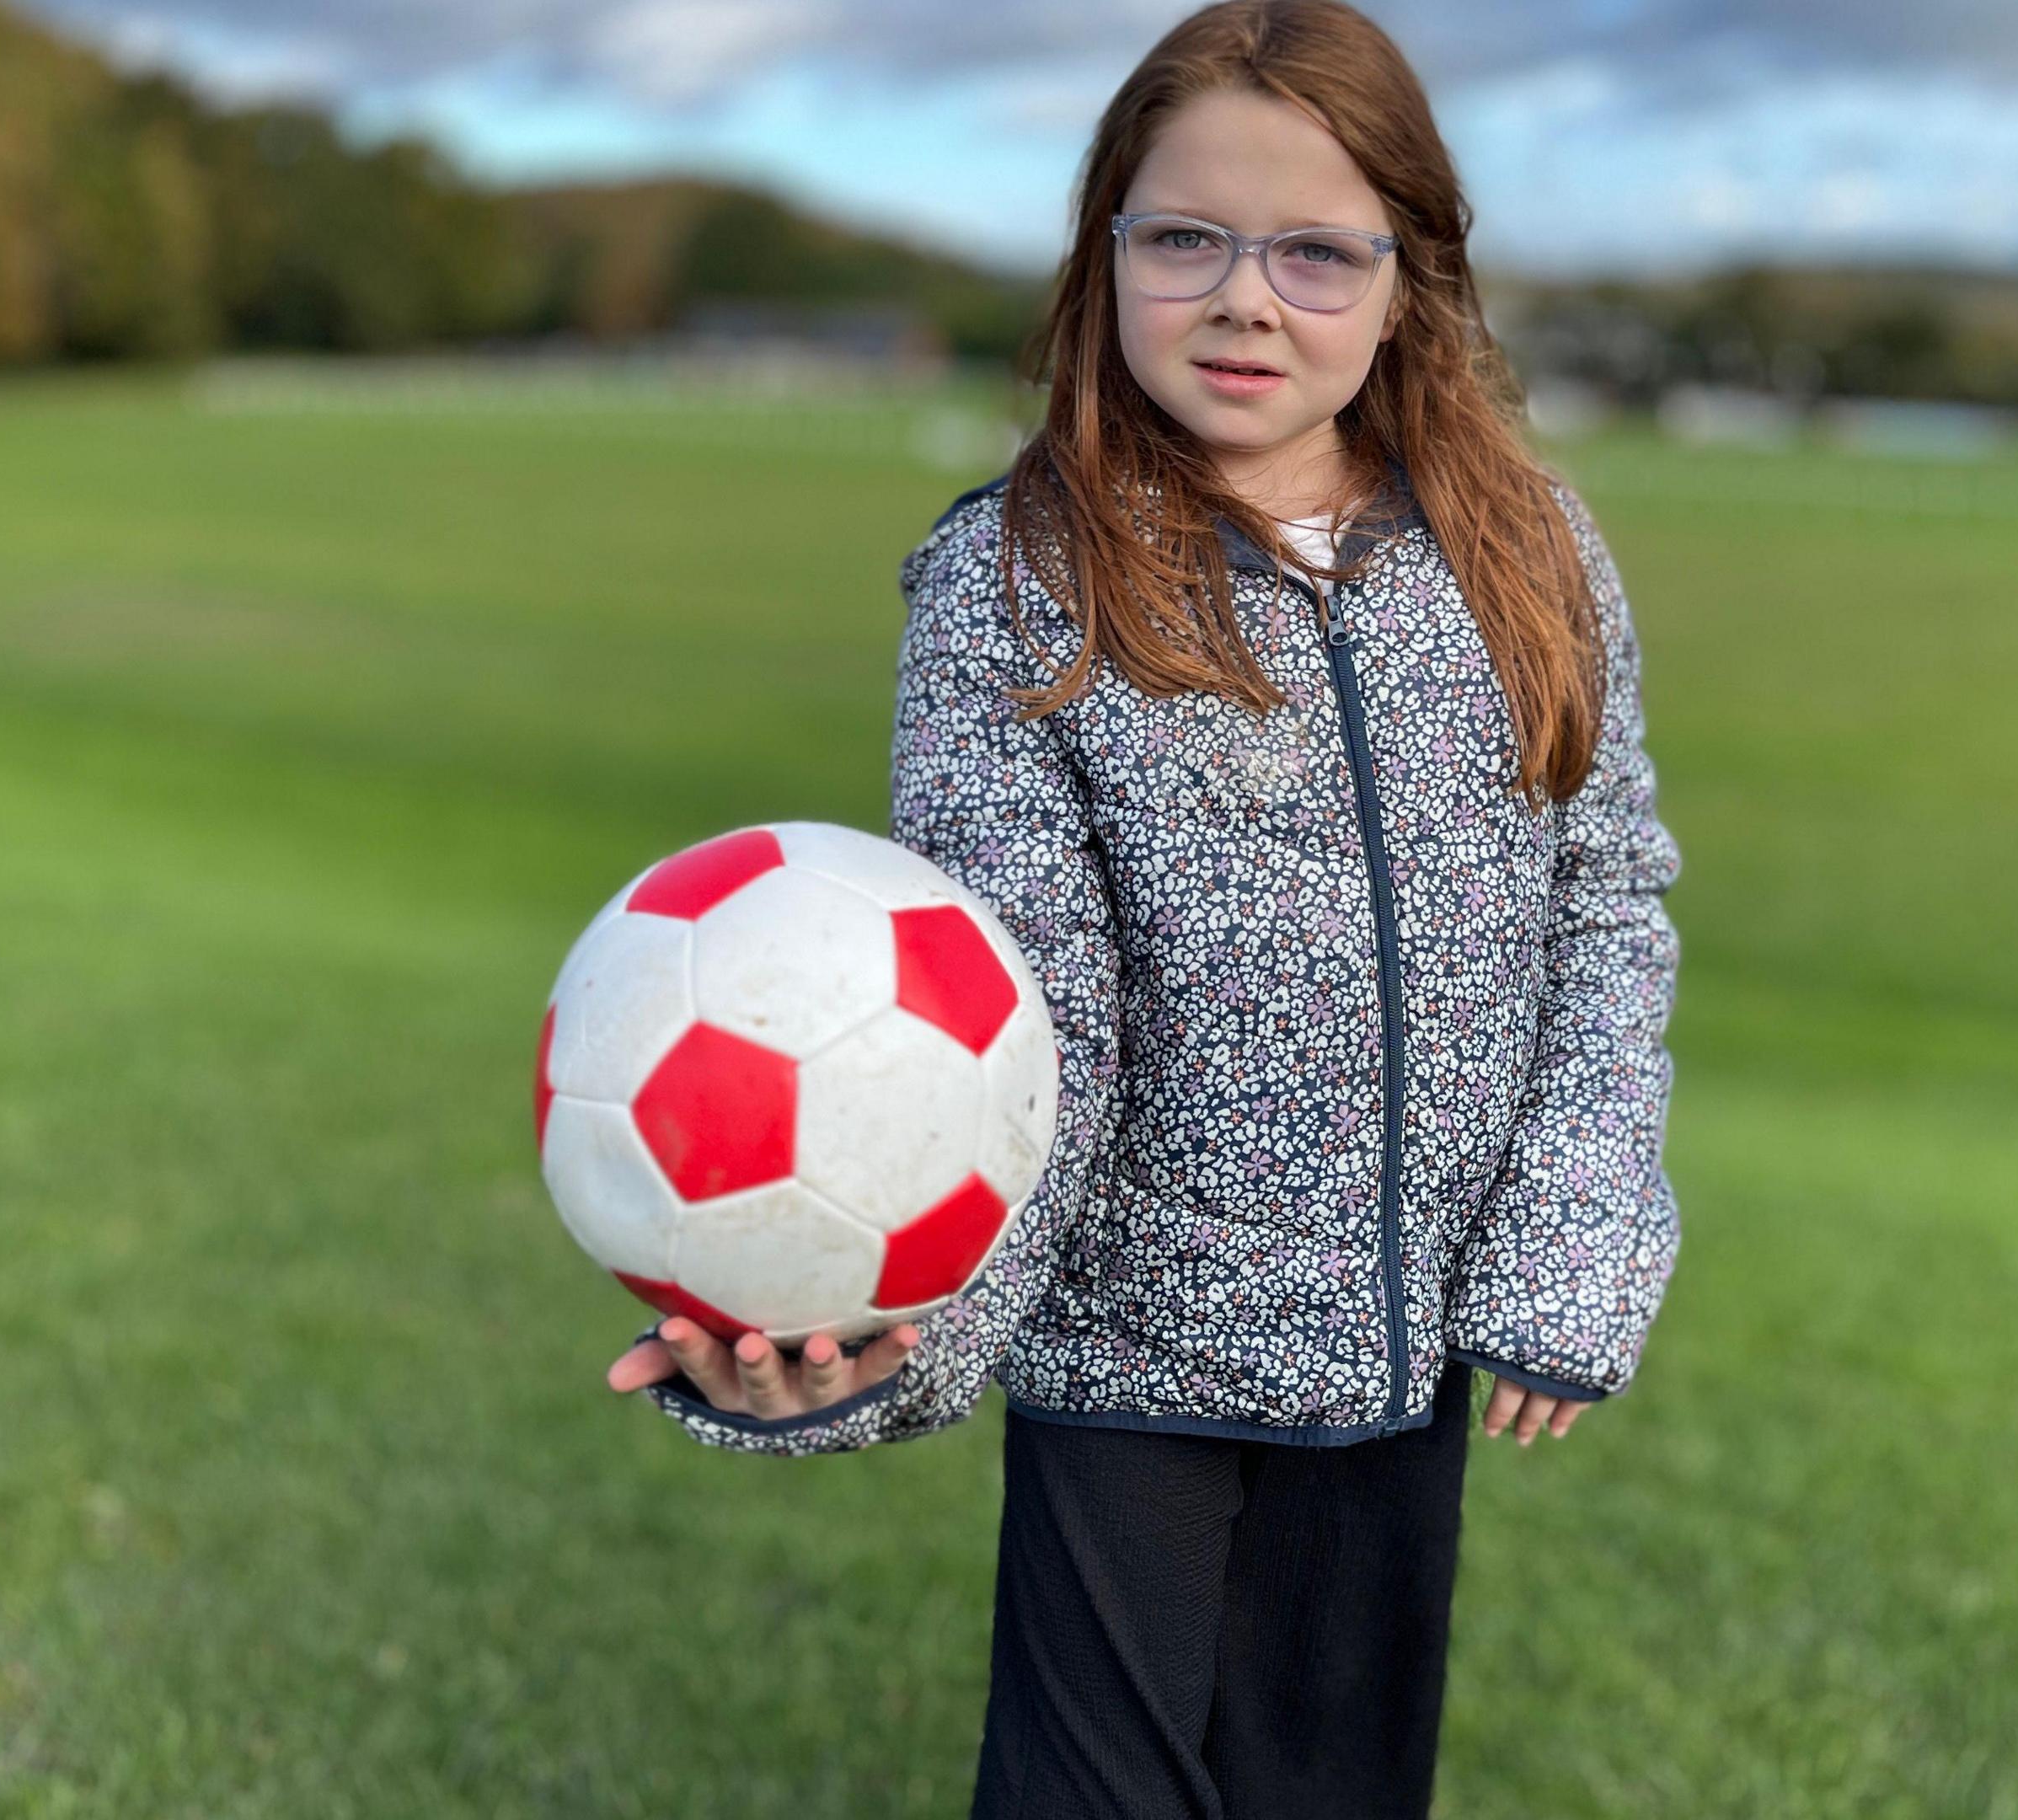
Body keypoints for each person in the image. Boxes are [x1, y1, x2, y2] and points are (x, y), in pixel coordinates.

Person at [604, 3, 1683, 1812]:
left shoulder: (1533, 551)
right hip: (1127, 1375)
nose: (1246, 299)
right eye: (1184, 237)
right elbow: (1030, 1032)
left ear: (1412, 277)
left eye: (1319, 252)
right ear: (1105, 250)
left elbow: (1605, 900)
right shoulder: (1014, 585)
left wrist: (1573, 1237)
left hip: (1399, 1384)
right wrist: (877, 1350)